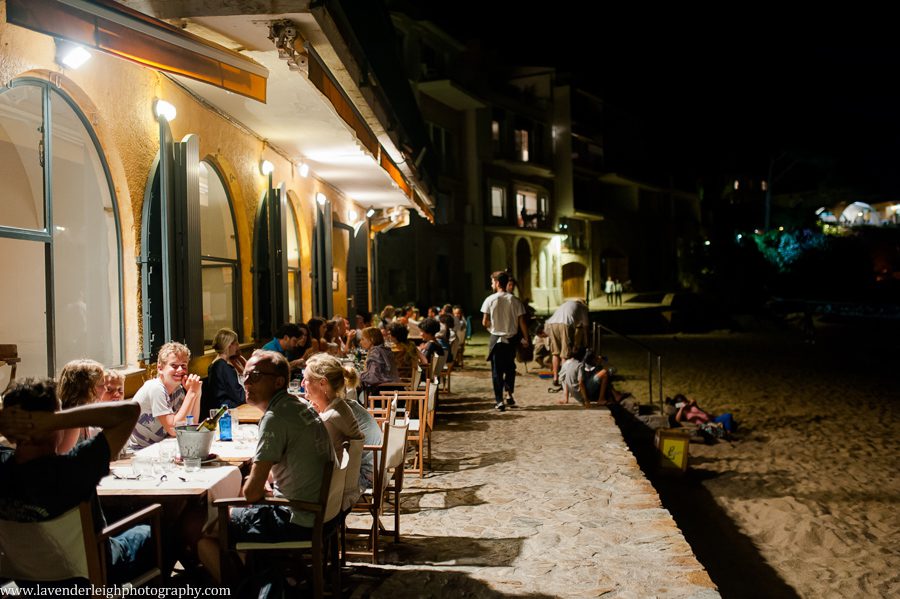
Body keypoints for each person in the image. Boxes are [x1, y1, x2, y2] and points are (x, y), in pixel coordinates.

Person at [197, 351, 334, 583]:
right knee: (236, 506)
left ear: (278, 381)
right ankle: (260, 576)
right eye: (245, 375)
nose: (247, 382)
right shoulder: (297, 405)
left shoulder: (275, 417)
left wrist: (253, 485)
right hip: (317, 512)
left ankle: (242, 587)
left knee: (206, 532)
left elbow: (252, 493)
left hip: (296, 519)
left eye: (255, 376)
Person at [0, 379, 153, 584]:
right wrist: (51, 421)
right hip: (93, 575)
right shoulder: (74, 468)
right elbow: (129, 411)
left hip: (28, 582)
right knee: (156, 529)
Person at [128, 342, 201, 449]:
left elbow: (191, 424)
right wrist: (191, 393)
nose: (180, 370)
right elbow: (173, 429)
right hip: (139, 451)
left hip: (161, 447)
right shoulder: (156, 388)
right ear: (160, 368)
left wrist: (197, 393)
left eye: (183, 366)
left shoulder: (178, 389)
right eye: (174, 366)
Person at [481, 271, 529, 411]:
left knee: (497, 370)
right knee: (510, 368)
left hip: (496, 339)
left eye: (491, 282)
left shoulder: (489, 300)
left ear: (496, 283)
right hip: (512, 338)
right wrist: (526, 338)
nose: (491, 284)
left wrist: (493, 329)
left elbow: (485, 322)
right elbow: (522, 323)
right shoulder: (514, 300)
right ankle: (509, 393)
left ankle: (499, 400)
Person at [302, 353, 363, 460]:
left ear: (322, 383)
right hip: (346, 475)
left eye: (306, 379)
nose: (302, 384)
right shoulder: (339, 406)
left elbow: (305, 452)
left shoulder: (329, 418)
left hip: (337, 476)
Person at [56, 359, 107, 453]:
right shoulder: (73, 420)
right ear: (85, 388)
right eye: (101, 385)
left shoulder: (83, 413)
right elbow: (63, 458)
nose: (105, 389)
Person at [544, 298, 590, 390]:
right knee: (565, 354)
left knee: (555, 353)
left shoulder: (567, 304)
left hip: (550, 324)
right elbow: (585, 326)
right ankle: (563, 381)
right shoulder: (582, 307)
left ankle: (555, 378)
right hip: (564, 323)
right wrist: (586, 341)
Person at [202, 328, 246, 415]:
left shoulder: (215, 364)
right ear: (229, 345)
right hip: (227, 411)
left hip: (220, 409)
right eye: (236, 344)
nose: (238, 347)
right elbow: (240, 396)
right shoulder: (223, 366)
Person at [670, 394, 737, 435]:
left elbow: (696, 404)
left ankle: (728, 432)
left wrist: (693, 404)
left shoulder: (691, 406)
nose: (684, 402)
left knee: (728, 416)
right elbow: (677, 420)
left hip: (712, 419)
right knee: (717, 431)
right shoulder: (683, 412)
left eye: (684, 400)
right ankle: (726, 433)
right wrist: (681, 408)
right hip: (704, 425)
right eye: (682, 402)